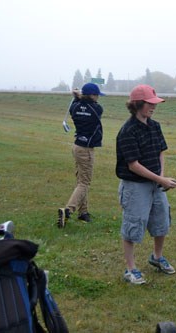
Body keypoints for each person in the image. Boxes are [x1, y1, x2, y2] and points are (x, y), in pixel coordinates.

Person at [116, 84, 176, 284]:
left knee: (161, 222)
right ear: (137, 104)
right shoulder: (127, 131)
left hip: (156, 183)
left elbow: (161, 151)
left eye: (155, 103)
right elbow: (133, 165)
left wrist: (161, 176)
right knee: (133, 225)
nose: (154, 107)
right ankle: (130, 269)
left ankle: (157, 257)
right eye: (150, 104)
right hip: (135, 186)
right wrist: (160, 179)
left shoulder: (155, 126)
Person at [57, 83, 105, 228]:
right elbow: (95, 107)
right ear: (91, 95)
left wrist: (77, 98)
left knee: (81, 181)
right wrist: (79, 97)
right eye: (96, 95)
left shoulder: (75, 107)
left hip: (77, 146)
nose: (98, 98)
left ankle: (83, 212)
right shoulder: (97, 109)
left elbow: (77, 105)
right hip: (86, 150)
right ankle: (68, 210)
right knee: (84, 183)